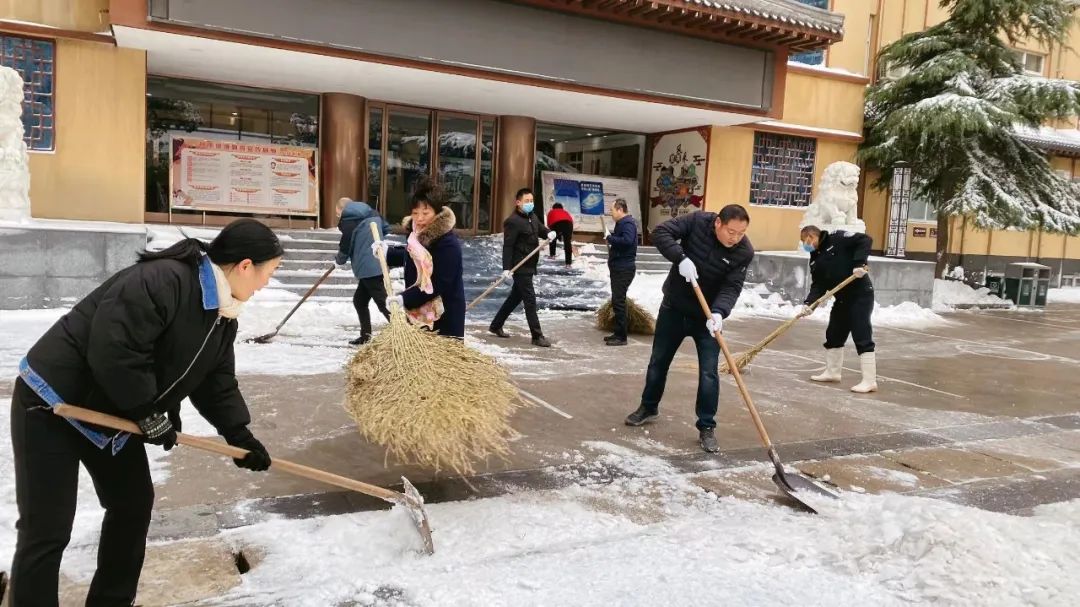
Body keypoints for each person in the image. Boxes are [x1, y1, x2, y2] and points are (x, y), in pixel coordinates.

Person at [9, 219, 281, 606]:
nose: (265, 284)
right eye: (268, 273)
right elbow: (115, 349)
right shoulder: (163, 281)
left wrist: (239, 435)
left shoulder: (222, 314)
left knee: (132, 505)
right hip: (52, 402)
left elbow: (215, 380)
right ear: (244, 266)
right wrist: (147, 411)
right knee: (47, 527)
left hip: (111, 416)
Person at [624, 205, 754, 453]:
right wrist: (680, 258)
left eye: (741, 233)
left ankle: (707, 426)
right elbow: (661, 233)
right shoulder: (697, 221)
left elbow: (732, 286)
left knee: (709, 372)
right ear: (718, 223)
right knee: (658, 361)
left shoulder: (743, 252)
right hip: (674, 307)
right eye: (731, 231)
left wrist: (719, 312)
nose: (735, 238)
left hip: (706, 317)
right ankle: (648, 406)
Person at [373, 179, 466, 339]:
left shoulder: (448, 243)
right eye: (415, 213)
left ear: (436, 213)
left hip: (443, 316)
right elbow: (413, 255)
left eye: (425, 213)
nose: (419, 218)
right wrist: (388, 253)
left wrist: (404, 298)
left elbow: (439, 283)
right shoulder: (417, 237)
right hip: (421, 312)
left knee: (439, 362)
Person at [799, 225, 877, 393]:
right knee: (834, 333)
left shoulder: (838, 238)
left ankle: (869, 381)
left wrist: (859, 263)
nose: (806, 245)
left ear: (814, 236)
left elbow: (865, 239)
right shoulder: (815, 258)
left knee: (861, 333)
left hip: (860, 294)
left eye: (807, 240)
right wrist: (810, 304)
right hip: (842, 298)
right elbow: (818, 285)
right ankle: (832, 372)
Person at [489, 187, 557, 348]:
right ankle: (537, 335)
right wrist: (506, 268)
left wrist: (549, 233)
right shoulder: (512, 221)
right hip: (520, 266)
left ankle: (496, 325)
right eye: (527, 201)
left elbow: (540, 229)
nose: (530, 204)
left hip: (531, 264)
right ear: (518, 202)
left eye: (531, 201)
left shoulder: (532, 216)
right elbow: (508, 246)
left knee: (515, 298)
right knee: (530, 299)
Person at [335, 197, 393, 346]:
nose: (338, 217)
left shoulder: (348, 217)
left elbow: (346, 243)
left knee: (382, 302)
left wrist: (339, 260)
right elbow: (386, 228)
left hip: (368, 266)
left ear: (342, 209)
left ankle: (404, 330)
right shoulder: (372, 212)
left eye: (337, 213)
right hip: (376, 260)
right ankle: (365, 336)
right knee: (360, 301)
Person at [604, 199, 638, 346]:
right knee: (617, 300)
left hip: (624, 268)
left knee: (619, 301)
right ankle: (618, 332)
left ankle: (621, 337)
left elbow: (627, 241)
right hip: (618, 267)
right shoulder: (622, 224)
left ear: (620, 210)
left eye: (612, 210)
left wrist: (610, 238)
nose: (611, 213)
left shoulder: (628, 223)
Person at [546, 202, 574, 267]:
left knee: (553, 238)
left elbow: (549, 224)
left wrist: (555, 234)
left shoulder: (551, 212)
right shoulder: (565, 212)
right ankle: (568, 264)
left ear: (553, 208)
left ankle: (552, 255)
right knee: (567, 243)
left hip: (556, 223)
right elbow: (571, 220)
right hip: (569, 224)